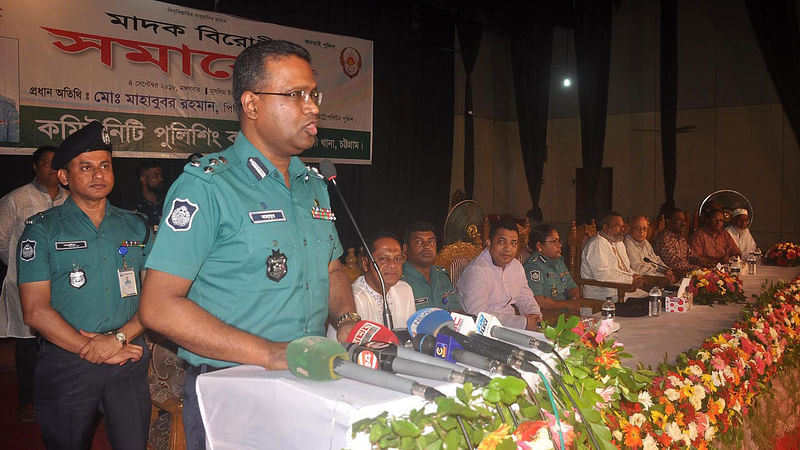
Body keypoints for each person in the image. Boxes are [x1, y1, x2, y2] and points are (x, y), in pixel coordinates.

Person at [138, 40, 358, 449]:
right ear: (252, 104)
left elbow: (331, 268)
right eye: (296, 95)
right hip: (232, 385)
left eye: (314, 95)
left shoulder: (314, 185)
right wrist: (270, 354)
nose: (312, 107)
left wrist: (346, 320)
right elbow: (158, 306)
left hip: (305, 377)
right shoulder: (208, 186)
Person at [17, 121, 151, 449]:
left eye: (105, 165)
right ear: (64, 176)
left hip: (129, 355)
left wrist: (117, 340)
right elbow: (35, 311)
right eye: (86, 167)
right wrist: (94, 350)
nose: (98, 174)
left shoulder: (135, 226)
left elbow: (155, 300)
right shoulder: (43, 230)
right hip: (68, 361)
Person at [0, 145, 68, 422]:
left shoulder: (70, 200)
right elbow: (2, 240)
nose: (51, 170)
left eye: (56, 164)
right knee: (28, 346)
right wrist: (25, 267)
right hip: (26, 284)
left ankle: (60, 396)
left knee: (60, 342)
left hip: (63, 285)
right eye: (45, 164)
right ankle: (28, 400)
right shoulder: (17, 199)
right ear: (35, 167)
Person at [458, 218, 542, 330]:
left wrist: (535, 316)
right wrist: (523, 323)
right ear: (488, 243)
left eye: (513, 243)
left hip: (511, 327)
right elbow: (478, 316)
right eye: (502, 242)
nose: (508, 248)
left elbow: (526, 298)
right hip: (481, 331)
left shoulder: (516, 266)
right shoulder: (477, 271)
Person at [348, 232, 416, 329]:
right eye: (383, 259)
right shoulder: (352, 299)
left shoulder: (404, 289)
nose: (393, 265)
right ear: (365, 263)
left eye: (397, 259)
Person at [580, 212, 649, 302]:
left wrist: (636, 276)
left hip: (621, 290)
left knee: (652, 298)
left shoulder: (619, 242)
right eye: (617, 226)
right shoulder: (597, 243)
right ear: (605, 228)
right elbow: (603, 276)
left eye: (623, 226)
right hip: (603, 294)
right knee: (647, 302)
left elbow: (626, 269)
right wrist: (630, 279)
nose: (622, 229)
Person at [401, 222, 461, 311]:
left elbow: (456, 311)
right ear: (405, 248)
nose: (426, 246)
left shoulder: (442, 276)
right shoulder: (399, 280)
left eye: (431, 242)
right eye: (419, 242)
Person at [522, 224, 582, 315]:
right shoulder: (533, 266)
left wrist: (574, 298)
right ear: (539, 246)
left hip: (565, 312)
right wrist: (567, 305)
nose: (560, 245)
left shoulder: (559, 261)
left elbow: (572, 287)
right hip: (547, 315)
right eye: (554, 242)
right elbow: (539, 301)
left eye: (559, 241)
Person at [624, 215, 676, 283]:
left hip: (655, 276)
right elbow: (637, 268)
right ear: (629, 229)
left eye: (644, 229)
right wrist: (661, 275)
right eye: (637, 228)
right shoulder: (628, 244)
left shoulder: (645, 242)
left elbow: (656, 259)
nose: (641, 232)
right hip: (643, 280)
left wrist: (666, 269)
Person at [652, 208, 702, 277]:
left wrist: (703, 264)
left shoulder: (681, 238)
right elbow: (674, 264)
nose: (683, 223)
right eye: (679, 220)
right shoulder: (664, 239)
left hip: (686, 271)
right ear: (668, 222)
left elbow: (691, 256)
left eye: (684, 220)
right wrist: (696, 268)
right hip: (672, 276)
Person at [123, 160, 165, 229]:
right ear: (143, 179)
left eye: (161, 175)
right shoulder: (131, 205)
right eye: (156, 176)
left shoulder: (166, 202)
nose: (161, 179)